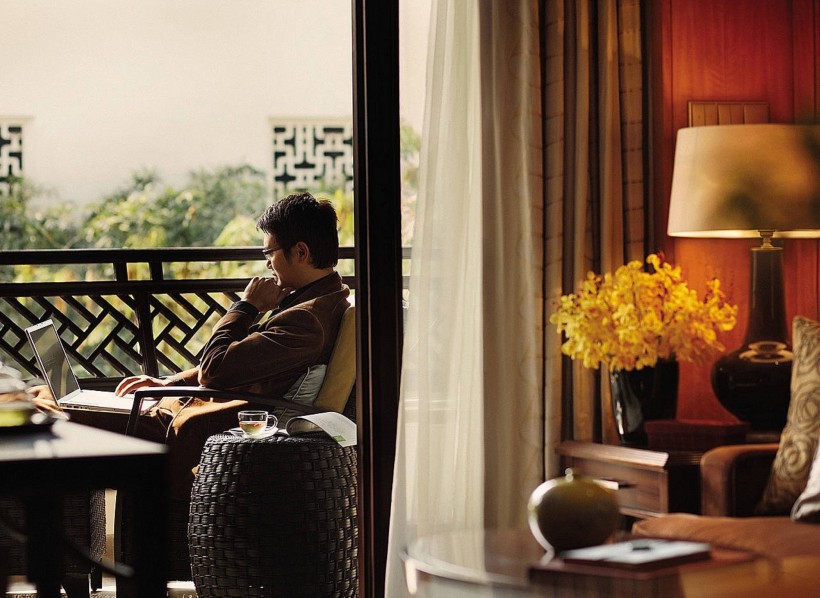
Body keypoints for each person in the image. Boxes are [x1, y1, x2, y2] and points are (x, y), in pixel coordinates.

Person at [117, 191, 351, 499]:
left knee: (66, 417)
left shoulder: (307, 320)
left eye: (269, 253)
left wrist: (246, 306)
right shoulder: (320, 301)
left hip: (227, 423)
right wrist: (169, 383)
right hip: (202, 406)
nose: (267, 263)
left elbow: (214, 370)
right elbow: (241, 359)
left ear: (301, 252)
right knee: (72, 409)